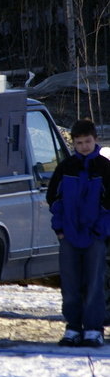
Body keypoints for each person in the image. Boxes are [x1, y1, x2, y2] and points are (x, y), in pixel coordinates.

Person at [47, 119, 110, 347]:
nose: (84, 146)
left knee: (95, 282)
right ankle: (73, 327)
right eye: (79, 142)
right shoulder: (65, 167)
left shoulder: (105, 168)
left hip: (95, 236)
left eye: (88, 141)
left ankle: (94, 328)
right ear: (73, 143)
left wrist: (101, 230)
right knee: (70, 284)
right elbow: (53, 199)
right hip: (69, 236)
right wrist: (60, 230)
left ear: (96, 141)